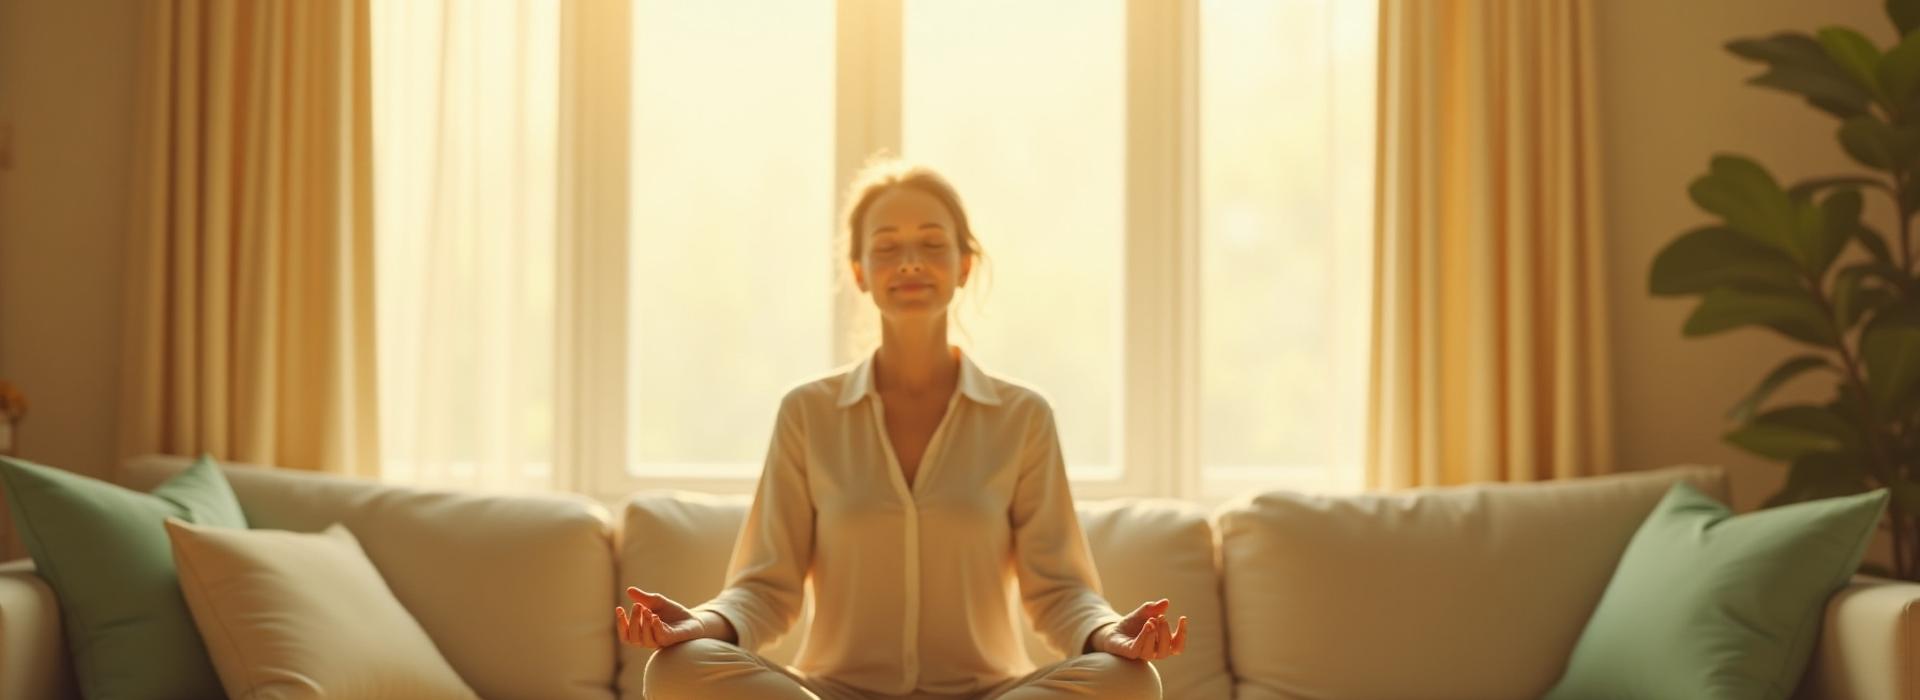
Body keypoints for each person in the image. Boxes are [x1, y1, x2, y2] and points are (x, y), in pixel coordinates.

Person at [617, 159, 1187, 700]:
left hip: (987, 692)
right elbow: (766, 589)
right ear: (860, 273)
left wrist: (1107, 633)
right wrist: (703, 624)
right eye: (887, 247)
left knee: (1129, 682)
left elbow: (1059, 591)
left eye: (932, 244)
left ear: (965, 265)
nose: (910, 262)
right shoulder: (808, 413)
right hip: (833, 692)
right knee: (677, 668)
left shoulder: (1022, 417)